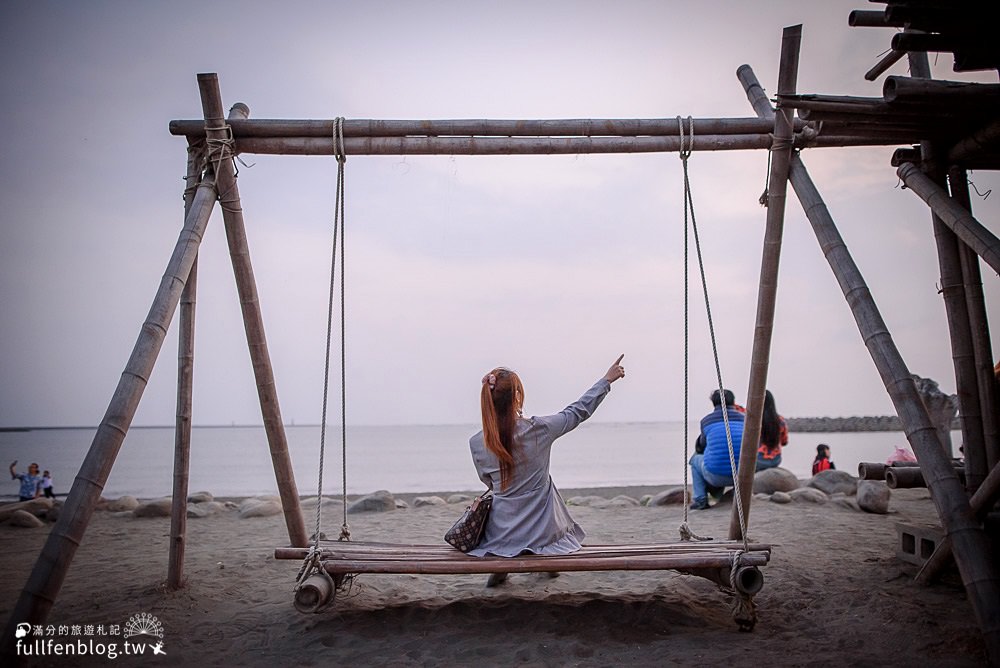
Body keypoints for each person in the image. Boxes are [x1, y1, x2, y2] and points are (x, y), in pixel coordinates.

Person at [467, 355, 626, 586]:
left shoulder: (476, 443)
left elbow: (488, 483)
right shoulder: (539, 429)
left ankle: (504, 564)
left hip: (501, 534)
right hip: (542, 532)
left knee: (506, 496)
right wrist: (606, 380)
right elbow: (577, 412)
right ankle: (547, 562)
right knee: (544, 487)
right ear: (517, 397)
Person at [688, 389, 746, 510]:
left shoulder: (707, 421)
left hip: (716, 476)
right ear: (733, 402)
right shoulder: (744, 419)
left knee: (694, 460)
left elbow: (702, 446)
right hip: (743, 475)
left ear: (713, 403)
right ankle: (735, 494)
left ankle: (700, 499)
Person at [755, 390, 789, 471]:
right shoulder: (781, 421)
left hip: (758, 461)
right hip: (776, 460)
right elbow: (784, 442)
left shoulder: (754, 421)